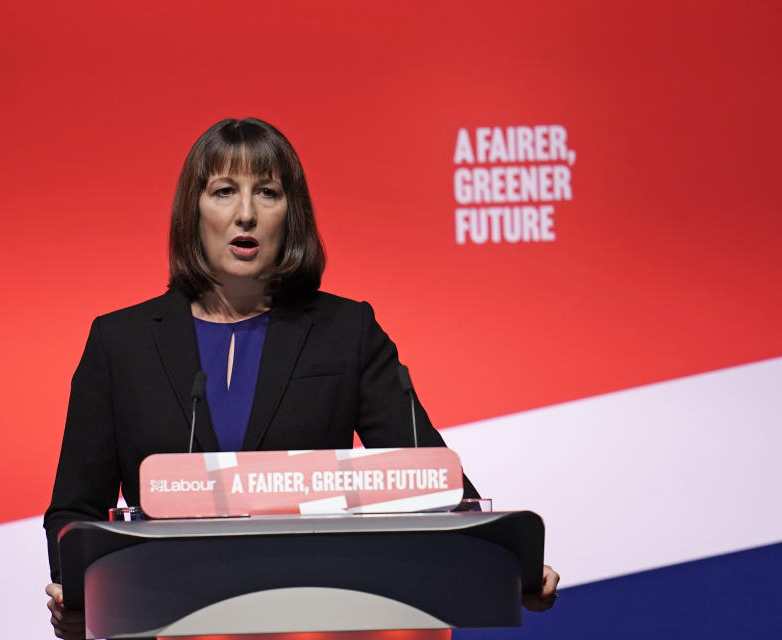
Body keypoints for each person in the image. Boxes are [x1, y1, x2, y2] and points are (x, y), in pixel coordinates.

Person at [43, 118, 558, 639]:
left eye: (267, 192)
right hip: (164, 625)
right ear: (192, 212)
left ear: (291, 214)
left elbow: (433, 484)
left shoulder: (345, 331)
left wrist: (504, 562)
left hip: (312, 625)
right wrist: (75, 589)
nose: (245, 214)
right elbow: (74, 509)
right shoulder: (120, 342)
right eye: (224, 191)